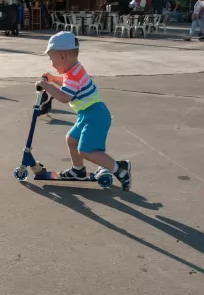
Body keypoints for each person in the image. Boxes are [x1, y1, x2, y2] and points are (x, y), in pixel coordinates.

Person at [35, 31, 132, 190]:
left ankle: (120, 169)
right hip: (88, 114)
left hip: (95, 115)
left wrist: (47, 85)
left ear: (63, 57)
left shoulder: (73, 75)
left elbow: (65, 97)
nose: (52, 64)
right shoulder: (74, 71)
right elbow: (67, 85)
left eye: (52, 60)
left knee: (86, 150)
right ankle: (78, 171)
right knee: (71, 139)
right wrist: (53, 79)